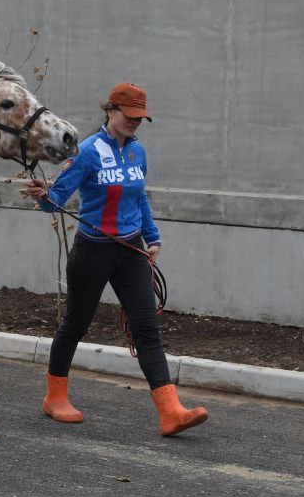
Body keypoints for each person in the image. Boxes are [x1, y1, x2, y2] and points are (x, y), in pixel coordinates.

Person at [21, 82, 208, 436]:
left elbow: (140, 200)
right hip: (93, 250)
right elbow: (56, 198)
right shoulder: (88, 152)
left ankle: (171, 411)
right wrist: (42, 194)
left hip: (131, 250)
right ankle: (54, 397)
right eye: (130, 115)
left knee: (147, 328)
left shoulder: (138, 153)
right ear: (111, 110)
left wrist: (151, 237)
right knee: (76, 323)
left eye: (141, 117)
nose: (135, 122)